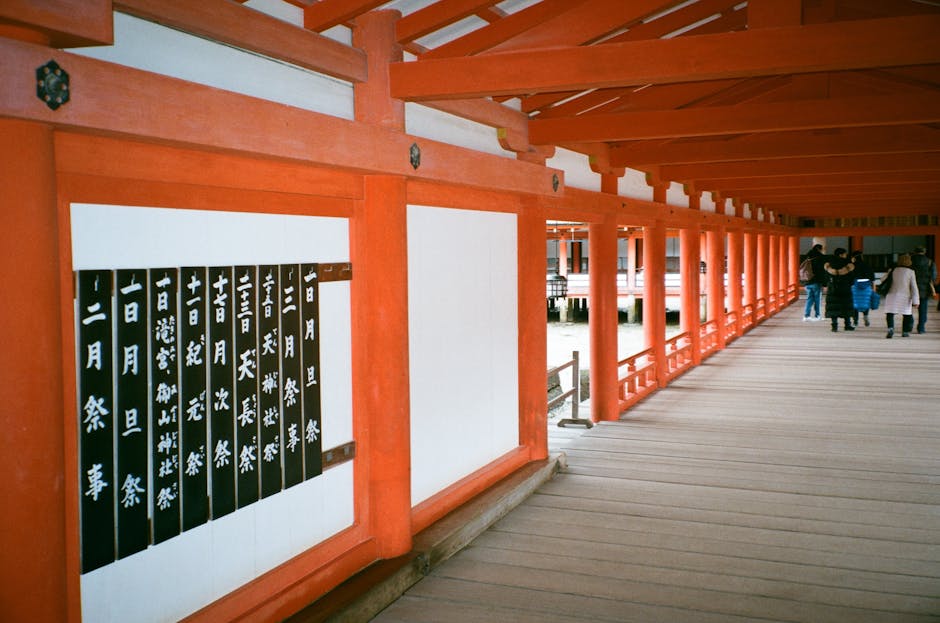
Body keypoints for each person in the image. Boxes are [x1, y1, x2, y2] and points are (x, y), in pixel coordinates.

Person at [880, 254, 919, 338]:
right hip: (905, 296)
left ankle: (890, 329)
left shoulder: (893, 270)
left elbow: (882, 279)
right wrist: (916, 301)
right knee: (906, 314)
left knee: (890, 313)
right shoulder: (911, 272)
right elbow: (914, 287)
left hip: (892, 294)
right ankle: (905, 332)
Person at [823, 248, 855, 332]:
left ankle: (834, 326)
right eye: (845, 254)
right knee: (846, 306)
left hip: (832, 289)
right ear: (841, 255)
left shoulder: (829, 265)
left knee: (833, 307)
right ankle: (847, 325)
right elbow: (852, 280)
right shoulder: (847, 265)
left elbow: (826, 278)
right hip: (845, 289)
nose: (846, 255)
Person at [909, 246, 936, 334]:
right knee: (923, 309)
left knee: (908, 307)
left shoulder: (910, 260)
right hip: (924, 288)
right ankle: (921, 328)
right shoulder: (930, 262)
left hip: (910, 287)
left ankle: (909, 325)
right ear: (924, 252)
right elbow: (933, 276)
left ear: (915, 251)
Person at [849, 250, 875, 327]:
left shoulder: (852, 266)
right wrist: (873, 288)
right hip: (866, 286)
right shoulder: (867, 265)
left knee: (855, 303)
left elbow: (850, 277)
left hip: (855, 286)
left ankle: (855, 321)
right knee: (865, 302)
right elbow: (872, 278)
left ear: (854, 258)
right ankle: (866, 316)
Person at [802, 244, 827, 321]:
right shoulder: (820, 258)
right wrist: (824, 283)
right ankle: (817, 315)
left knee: (809, 299)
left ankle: (806, 316)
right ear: (819, 249)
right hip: (816, 282)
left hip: (807, 281)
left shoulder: (807, 257)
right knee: (817, 299)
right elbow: (822, 272)